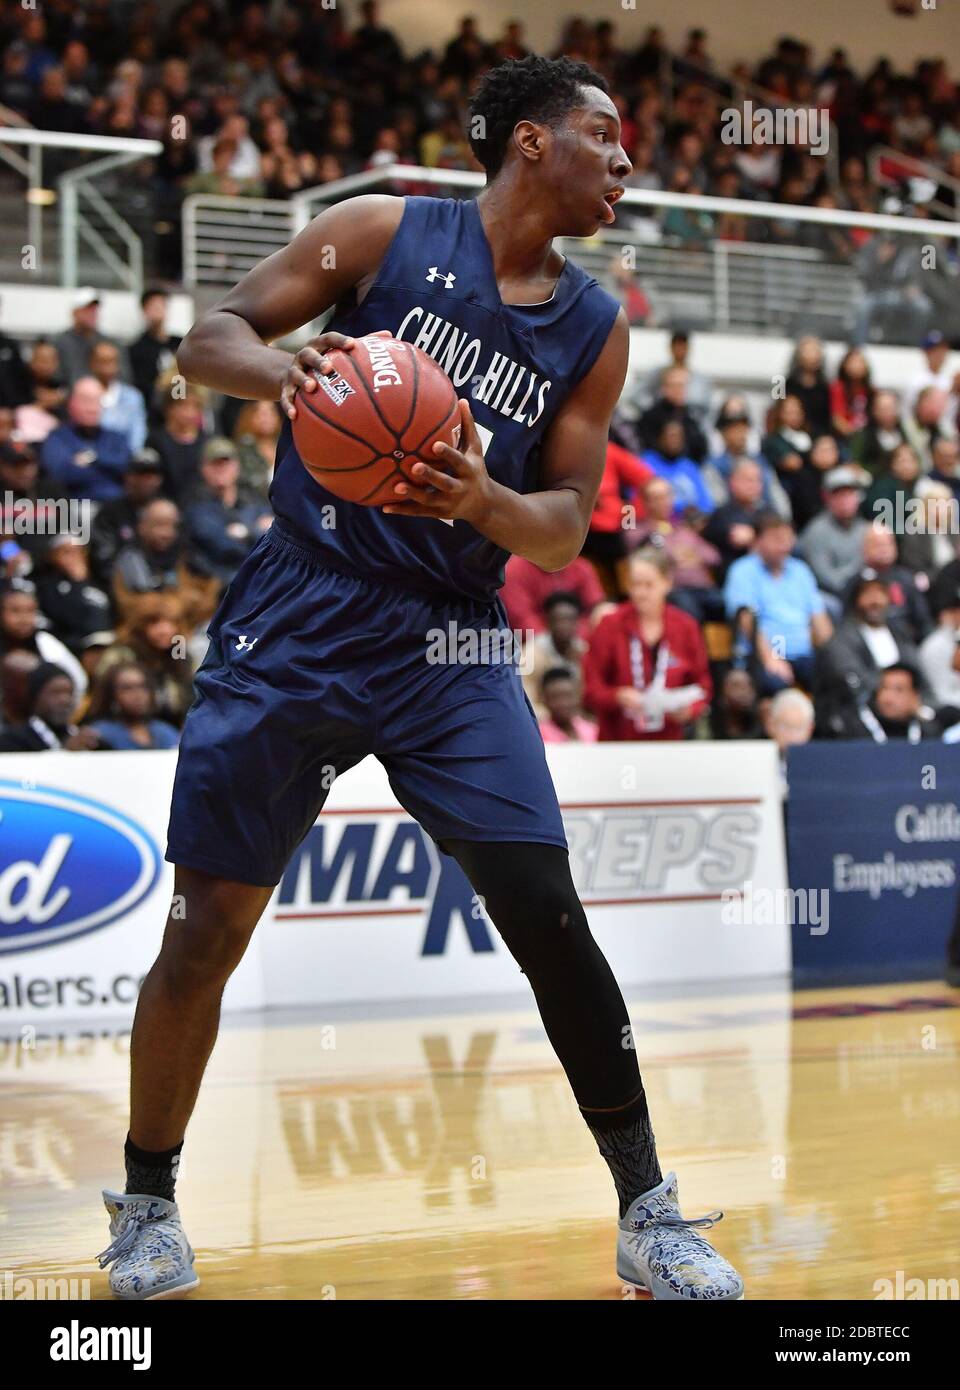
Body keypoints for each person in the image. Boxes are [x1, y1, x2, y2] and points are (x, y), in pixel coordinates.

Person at [98, 56, 742, 1303]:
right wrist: (281, 374)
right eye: (602, 136)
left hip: (449, 637)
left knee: (549, 915)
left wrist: (487, 500)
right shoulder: (380, 230)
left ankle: (649, 1212)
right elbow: (210, 333)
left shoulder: (595, 329)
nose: (625, 160)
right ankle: (147, 1206)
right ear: (527, 141)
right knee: (206, 928)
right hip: (298, 606)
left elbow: (564, 526)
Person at [582, 548, 712, 741]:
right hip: (617, 741)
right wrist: (617, 696)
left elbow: (703, 684)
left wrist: (690, 709)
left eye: (649, 585)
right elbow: (590, 689)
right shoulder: (610, 625)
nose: (640, 593)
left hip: (669, 742)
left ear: (667, 583)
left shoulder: (685, 626)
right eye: (635, 585)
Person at [724, 512, 833, 693]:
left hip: (802, 653)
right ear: (757, 541)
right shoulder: (743, 571)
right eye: (776, 539)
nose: (783, 545)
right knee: (774, 683)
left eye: (788, 539)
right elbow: (746, 618)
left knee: (834, 678)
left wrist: (833, 657)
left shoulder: (800, 570)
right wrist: (770, 658)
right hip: (764, 654)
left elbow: (818, 616)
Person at [814, 574, 925, 736]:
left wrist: (913, 700)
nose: (875, 601)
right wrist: (891, 695)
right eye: (868, 594)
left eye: (880, 593)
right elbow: (852, 680)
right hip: (862, 713)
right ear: (855, 599)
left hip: (904, 713)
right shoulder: (841, 639)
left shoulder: (900, 633)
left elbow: (917, 673)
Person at [41, 377, 131, 502]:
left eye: (97, 401)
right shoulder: (58, 438)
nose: (92, 409)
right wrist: (108, 470)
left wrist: (93, 458)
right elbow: (61, 474)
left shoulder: (116, 437)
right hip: (77, 507)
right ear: (71, 404)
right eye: (85, 401)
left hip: (118, 505)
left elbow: (126, 469)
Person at [796, 465, 871, 609]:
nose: (845, 500)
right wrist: (863, 564)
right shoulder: (816, 531)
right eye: (838, 494)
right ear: (827, 498)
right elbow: (830, 581)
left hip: (864, 593)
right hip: (830, 598)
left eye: (849, 493)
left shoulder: (865, 528)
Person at [833, 662, 942, 741]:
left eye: (898, 690)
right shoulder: (850, 729)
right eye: (884, 688)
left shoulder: (929, 734)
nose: (888, 698)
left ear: (915, 697)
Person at [0, 661, 95, 751]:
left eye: (69, 693)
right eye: (56, 692)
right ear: (36, 697)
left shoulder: (85, 739)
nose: (64, 700)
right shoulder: (13, 741)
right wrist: (66, 754)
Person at [85, 661, 180, 750]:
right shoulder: (100, 734)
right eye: (127, 688)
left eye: (143, 686)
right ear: (111, 695)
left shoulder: (165, 732)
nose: (138, 695)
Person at [129, 288, 182, 416]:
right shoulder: (137, 348)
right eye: (153, 306)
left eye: (161, 305)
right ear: (144, 310)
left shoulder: (180, 343)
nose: (158, 310)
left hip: (181, 402)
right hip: (152, 410)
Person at [89, 341, 147, 453]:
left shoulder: (133, 397)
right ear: (92, 363)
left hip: (124, 459)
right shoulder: (83, 394)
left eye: (112, 361)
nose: (108, 367)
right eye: (103, 361)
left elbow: (138, 434)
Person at [537, 666, 598, 744]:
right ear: (544, 699)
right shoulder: (538, 735)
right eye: (556, 697)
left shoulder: (592, 730)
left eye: (568, 696)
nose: (564, 703)